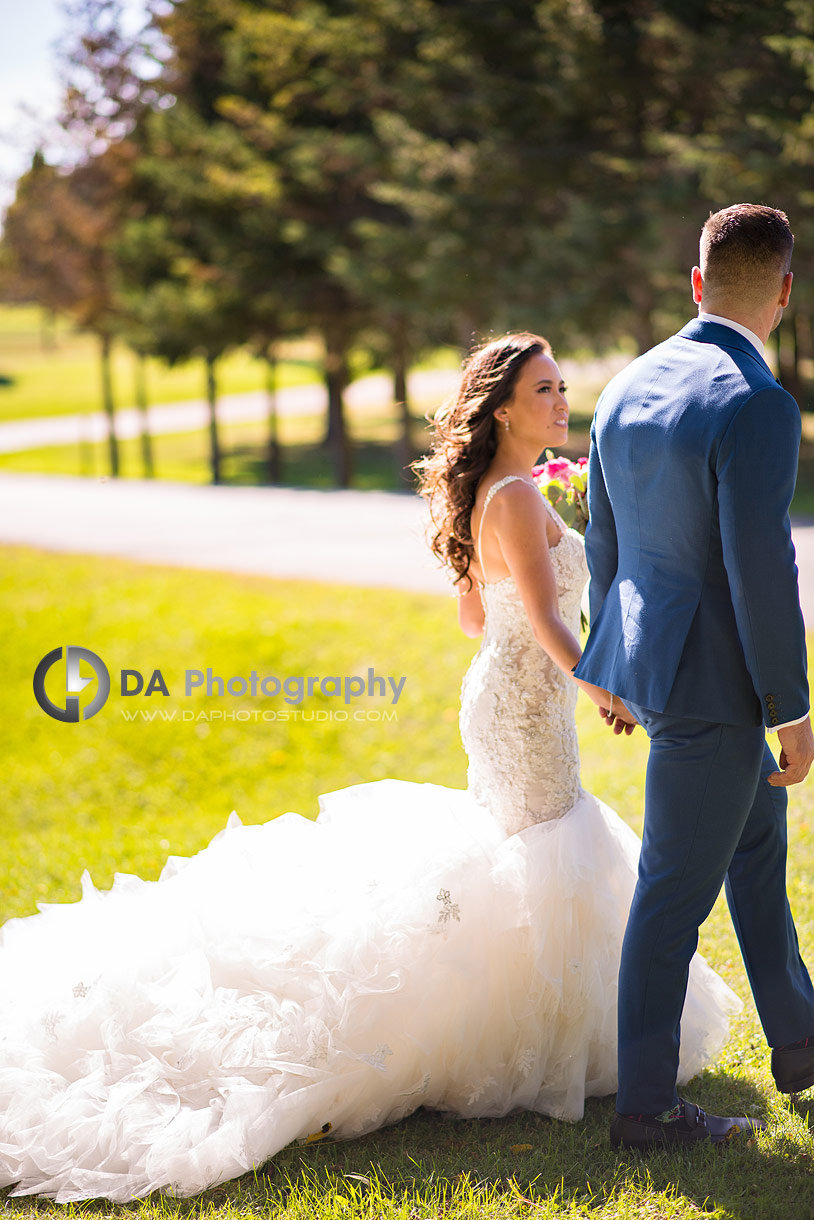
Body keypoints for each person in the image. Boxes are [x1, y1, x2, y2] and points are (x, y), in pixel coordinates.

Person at [0, 335, 740, 1205]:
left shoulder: (499, 496)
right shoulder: (509, 496)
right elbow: (544, 615)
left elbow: (478, 618)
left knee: (530, 850)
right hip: (525, 710)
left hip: (503, 698)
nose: (560, 401)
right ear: (503, 409)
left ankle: (545, 1025)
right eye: (544, 390)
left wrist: (542, 552)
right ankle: (526, 1037)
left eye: (561, 386)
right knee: (548, 847)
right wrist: (608, 686)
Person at [575, 203, 814, 1151]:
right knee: (672, 897)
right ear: (785, 293)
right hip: (716, 694)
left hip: (658, 671)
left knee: (756, 850)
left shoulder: (625, 384)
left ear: (697, 282)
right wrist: (791, 709)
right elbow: (763, 571)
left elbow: (603, 538)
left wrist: (611, 665)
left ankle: (798, 1044)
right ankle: (646, 1110)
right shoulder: (758, 402)